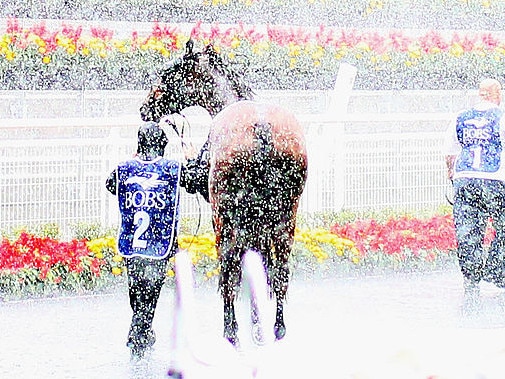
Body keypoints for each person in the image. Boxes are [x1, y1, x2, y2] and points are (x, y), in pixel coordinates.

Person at [105, 121, 198, 359]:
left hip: (132, 245)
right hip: (159, 241)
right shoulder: (171, 168)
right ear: (164, 144)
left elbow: (110, 184)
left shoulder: (125, 167)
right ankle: (140, 329)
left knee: (136, 289)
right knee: (151, 289)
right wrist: (191, 158)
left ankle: (140, 326)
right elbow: (195, 181)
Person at [445, 78, 505, 303]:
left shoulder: (460, 117)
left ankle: (471, 279)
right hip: (495, 180)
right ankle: (497, 271)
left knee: (468, 231)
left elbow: (450, 151)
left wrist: (451, 175)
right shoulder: (501, 117)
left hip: (465, 181)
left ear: (480, 95)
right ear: (497, 95)